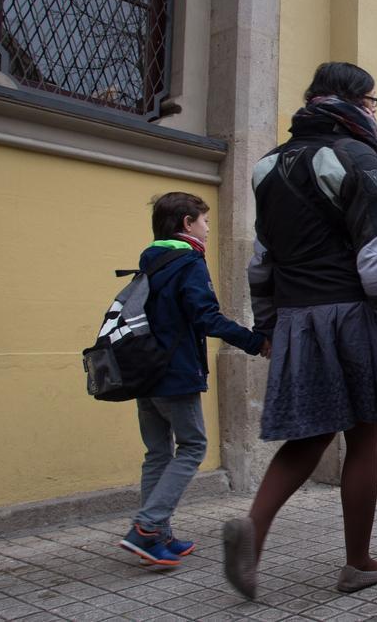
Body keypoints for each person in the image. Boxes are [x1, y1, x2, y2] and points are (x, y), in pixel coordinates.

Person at [224, 62, 377, 599]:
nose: (373, 112)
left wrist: (268, 325)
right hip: (351, 313)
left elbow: (261, 261)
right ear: (350, 103)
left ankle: (254, 531)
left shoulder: (268, 165)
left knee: (311, 434)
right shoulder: (357, 158)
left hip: (297, 317)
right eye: (371, 102)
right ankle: (359, 563)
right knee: (364, 434)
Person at [118, 193, 269, 566]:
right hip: (175, 374)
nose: (206, 228)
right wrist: (254, 341)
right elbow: (206, 316)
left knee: (157, 453)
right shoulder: (188, 261)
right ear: (187, 223)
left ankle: (158, 536)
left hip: (145, 373)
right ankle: (147, 527)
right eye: (204, 221)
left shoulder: (151, 262)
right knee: (192, 447)